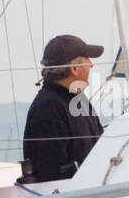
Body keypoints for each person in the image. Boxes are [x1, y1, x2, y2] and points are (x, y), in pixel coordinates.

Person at [22, 34, 105, 183]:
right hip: (74, 194)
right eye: (87, 59)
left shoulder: (78, 99)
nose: (91, 64)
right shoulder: (48, 109)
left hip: (94, 188)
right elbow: (51, 175)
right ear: (75, 68)